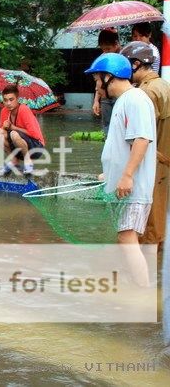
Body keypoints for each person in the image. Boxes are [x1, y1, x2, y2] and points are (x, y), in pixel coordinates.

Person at [86, 52, 157, 286]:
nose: (97, 87)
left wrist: (126, 176)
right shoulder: (124, 102)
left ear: (109, 77)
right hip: (124, 186)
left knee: (127, 237)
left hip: (134, 187)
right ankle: (131, 285)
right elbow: (123, 146)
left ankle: (143, 292)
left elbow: (141, 139)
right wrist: (112, 174)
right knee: (123, 238)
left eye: (97, 80)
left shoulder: (135, 99)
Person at [121, 41, 170, 250]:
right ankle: (154, 271)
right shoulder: (161, 85)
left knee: (147, 218)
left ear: (136, 64)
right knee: (157, 213)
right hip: (162, 159)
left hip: (154, 158)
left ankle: (145, 273)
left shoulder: (147, 92)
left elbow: (142, 135)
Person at [0, 84, 46, 176]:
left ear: (17, 99)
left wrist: (13, 128)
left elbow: (34, 134)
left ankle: (28, 162)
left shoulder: (24, 110)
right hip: (18, 146)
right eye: (5, 100)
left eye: (11, 99)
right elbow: (2, 132)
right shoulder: (4, 111)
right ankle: (14, 160)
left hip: (36, 147)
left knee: (14, 133)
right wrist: (4, 127)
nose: (8, 103)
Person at [92, 29, 121, 134]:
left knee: (120, 126)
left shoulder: (123, 57)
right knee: (107, 128)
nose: (106, 52)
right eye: (103, 49)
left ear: (116, 44)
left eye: (108, 49)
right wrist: (96, 101)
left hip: (119, 97)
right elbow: (98, 81)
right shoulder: (102, 58)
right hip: (105, 98)